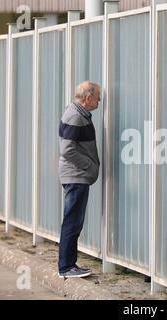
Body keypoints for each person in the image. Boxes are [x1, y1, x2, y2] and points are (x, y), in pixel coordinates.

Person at [58, 81, 101, 278]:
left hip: (77, 175)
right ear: (87, 98)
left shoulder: (76, 113)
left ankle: (68, 265)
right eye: (97, 96)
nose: (99, 100)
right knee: (72, 221)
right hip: (76, 176)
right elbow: (67, 150)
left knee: (73, 221)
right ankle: (66, 267)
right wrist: (89, 166)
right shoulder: (75, 116)